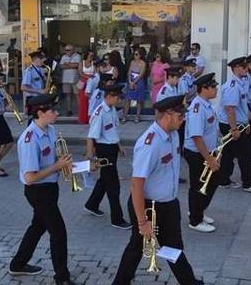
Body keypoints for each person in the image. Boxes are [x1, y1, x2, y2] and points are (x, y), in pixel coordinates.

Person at [112, 95, 204, 285]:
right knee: (137, 247)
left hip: (169, 204)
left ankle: (190, 282)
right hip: (147, 206)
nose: (183, 119)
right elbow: (136, 185)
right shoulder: (150, 143)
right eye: (180, 116)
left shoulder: (173, 134)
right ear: (168, 115)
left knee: (174, 247)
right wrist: (142, 221)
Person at [8, 93, 76, 285]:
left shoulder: (51, 130)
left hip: (50, 188)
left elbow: (55, 160)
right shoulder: (29, 139)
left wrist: (78, 166)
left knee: (37, 227)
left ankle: (18, 264)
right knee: (58, 233)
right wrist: (57, 166)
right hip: (38, 192)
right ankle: (61, 277)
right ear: (40, 113)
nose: (56, 112)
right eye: (52, 110)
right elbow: (30, 178)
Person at [84, 84, 131, 230]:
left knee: (105, 180)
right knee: (113, 184)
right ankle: (117, 219)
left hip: (112, 148)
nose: (118, 100)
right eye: (117, 97)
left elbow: (112, 131)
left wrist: (119, 146)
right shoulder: (100, 112)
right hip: (104, 150)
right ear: (109, 97)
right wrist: (90, 156)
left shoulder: (111, 109)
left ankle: (91, 204)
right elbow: (91, 136)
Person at [217, 56, 251, 193]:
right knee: (245, 155)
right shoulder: (233, 86)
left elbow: (244, 106)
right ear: (236, 68)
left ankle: (223, 180)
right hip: (232, 125)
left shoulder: (240, 83)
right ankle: (248, 183)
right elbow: (230, 109)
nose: (246, 69)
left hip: (238, 124)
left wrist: (247, 122)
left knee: (228, 153)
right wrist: (234, 129)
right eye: (244, 67)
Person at [184, 73, 220, 233]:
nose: (216, 89)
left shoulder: (207, 104)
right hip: (197, 153)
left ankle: (198, 210)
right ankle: (195, 220)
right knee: (198, 186)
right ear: (203, 89)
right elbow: (197, 136)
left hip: (207, 151)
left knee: (211, 182)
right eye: (213, 87)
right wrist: (209, 158)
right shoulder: (197, 108)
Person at [122, 47, 147, 123]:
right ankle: (124, 116)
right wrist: (130, 81)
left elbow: (141, 74)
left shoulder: (143, 63)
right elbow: (129, 72)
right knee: (127, 99)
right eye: (134, 54)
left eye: (136, 54)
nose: (135, 56)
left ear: (140, 55)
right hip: (131, 79)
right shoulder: (132, 62)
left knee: (139, 100)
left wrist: (134, 82)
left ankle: (137, 116)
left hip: (138, 80)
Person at [21, 51, 48, 122]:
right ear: (36, 59)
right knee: (32, 121)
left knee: (39, 120)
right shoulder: (29, 71)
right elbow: (23, 87)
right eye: (41, 59)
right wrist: (39, 91)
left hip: (39, 98)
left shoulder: (40, 69)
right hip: (33, 99)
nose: (43, 61)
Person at [59, 44, 82, 116]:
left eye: (68, 50)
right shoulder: (63, 56)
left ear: (73, 50)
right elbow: (61, 66)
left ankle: (80, 111)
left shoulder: (77, 56)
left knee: (77, 95)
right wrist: (71, 65)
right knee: (67, 95)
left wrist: (67, 64)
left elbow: (77, 65)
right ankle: (69, 110)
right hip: (65, 79)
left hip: (75, 79)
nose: (66, 51)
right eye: (66, 50)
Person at [77, 50, 95, 124]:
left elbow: (95, 73)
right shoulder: (82, 63)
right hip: (84, 82)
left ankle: (91, 118)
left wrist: (91, 78)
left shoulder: (94, 63)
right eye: (90, 55)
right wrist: (87, 77)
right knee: (83, 101)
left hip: (92, 82)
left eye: (92, 56)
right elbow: (80, 72)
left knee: (92, 101)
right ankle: (83, 119)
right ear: (87, 55)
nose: (91, 57)